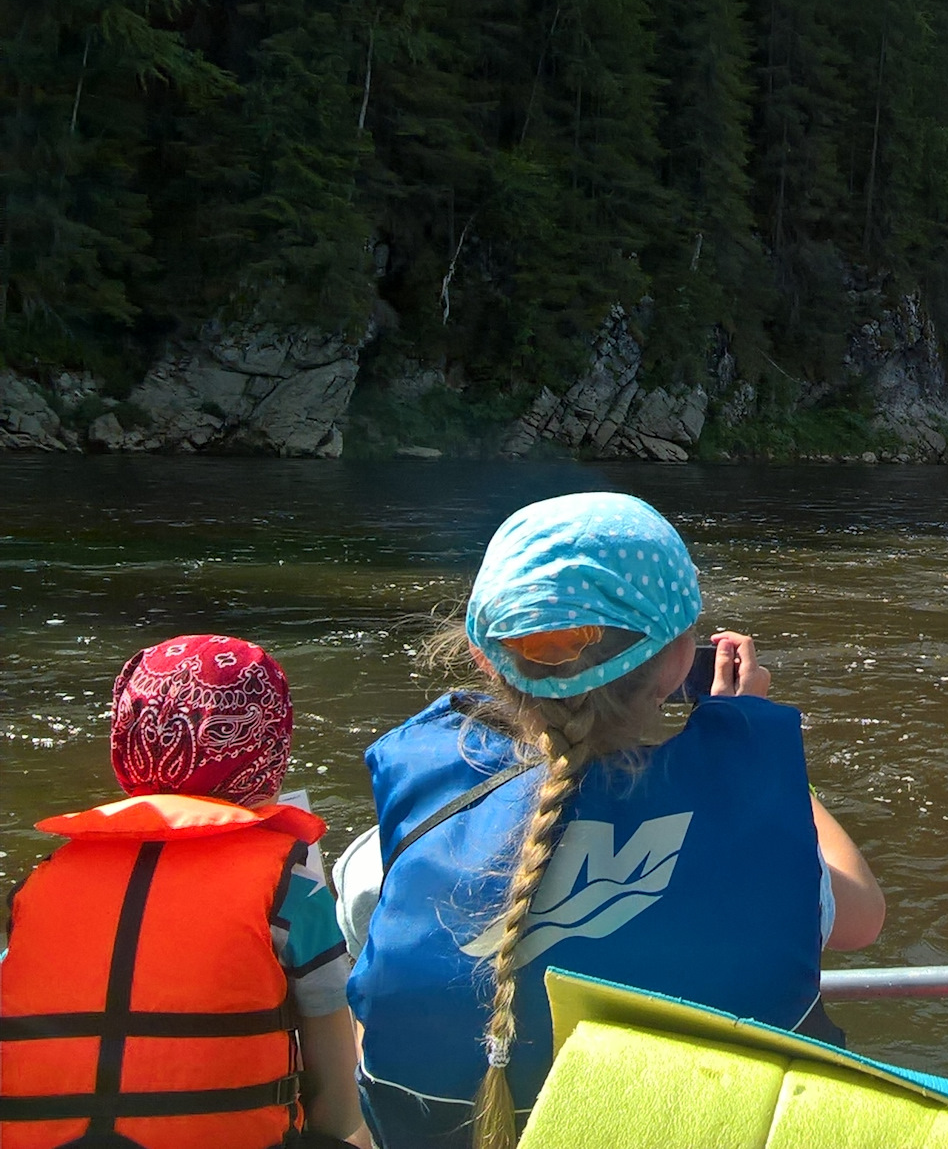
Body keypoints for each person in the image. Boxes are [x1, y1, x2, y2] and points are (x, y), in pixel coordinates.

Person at [340, 491, 883, 1149]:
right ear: (683, 658)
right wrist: (758, 751)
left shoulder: (400, 843)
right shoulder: (752, 824)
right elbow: (861, 917)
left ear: (485, 658)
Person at [0, 635, 370, 1149]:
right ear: (269, 746)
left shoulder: (45, 878)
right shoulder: (289, 882)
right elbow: (337, 1106)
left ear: (128, 740)